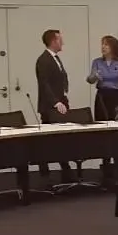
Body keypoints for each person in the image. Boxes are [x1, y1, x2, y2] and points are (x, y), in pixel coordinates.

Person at [34, 28, 77, 182]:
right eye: (60, 39)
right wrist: (56, 102)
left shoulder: (55, 58)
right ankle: (61, 169)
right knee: (54, 139)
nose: (62, 42)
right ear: (53, 41)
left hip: (60, 103)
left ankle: (60, 169)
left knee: (57, 139)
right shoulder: (43, 60)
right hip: (50, 106)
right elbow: (44, 84)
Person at [87, 35, 118, 121]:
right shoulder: (97, 62)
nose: (103, 47)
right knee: (101, 122)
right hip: (102, 96)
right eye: (102, 44)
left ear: (113, 47)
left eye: (106, 45)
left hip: (117, 96)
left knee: (117, 121)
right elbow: (90, 80)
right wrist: (95, 76)